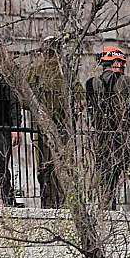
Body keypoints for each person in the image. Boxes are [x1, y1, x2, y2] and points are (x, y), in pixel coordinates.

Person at [85, 46, 130, 212]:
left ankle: (106, 216)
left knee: (107, 185)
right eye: (121, 63)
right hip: (128, 138)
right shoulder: (127, 82)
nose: (123, 66)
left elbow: (90, 111)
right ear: (115, 62)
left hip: (103, 140)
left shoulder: (91, 84)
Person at [24, 36, 85, 208]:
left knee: (44, 167)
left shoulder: (33, 72)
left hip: (39, 129)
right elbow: (81, 100)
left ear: (43, 54)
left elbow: (23, 100)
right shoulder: (66, 73)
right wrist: (73, 118)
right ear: (59, 53)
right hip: (62, 130)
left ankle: (47, 203)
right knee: (63, 166)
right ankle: (63, 204)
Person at [0, 65, 20, 207]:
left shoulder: (2, 78)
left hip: (1, 127)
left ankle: (8, 201)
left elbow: (13, 103)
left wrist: (15, 127)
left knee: (1, 167)